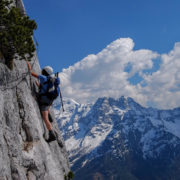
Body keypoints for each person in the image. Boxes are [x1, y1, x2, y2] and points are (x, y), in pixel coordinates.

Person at [26, 61, 60, 142]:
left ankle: (51, 134)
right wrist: (39, 86)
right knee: (46, 107)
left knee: (44, 118)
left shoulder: (43, 77)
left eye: (43, 70)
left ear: (44, 72)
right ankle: (48, 114)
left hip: (44, 100)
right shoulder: (51, 80)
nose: (41, 71)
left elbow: (31, 73)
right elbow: (46, 89)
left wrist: (28, 66)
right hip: (50, 100)